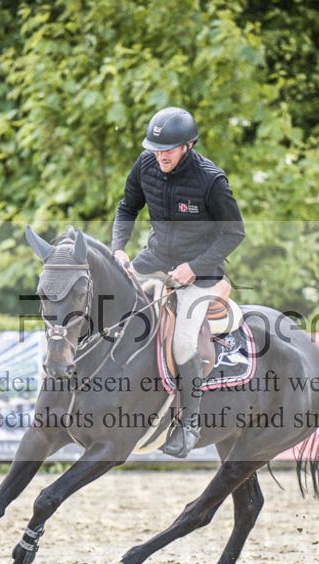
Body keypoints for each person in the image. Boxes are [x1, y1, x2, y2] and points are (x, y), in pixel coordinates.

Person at [111, 106, 246, 457]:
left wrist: (195, 267)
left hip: (200, 273)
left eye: (168, 150)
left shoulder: (211, 180)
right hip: (153, 260)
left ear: (188, 145)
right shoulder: (145, 164)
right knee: (109, 307)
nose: (160, 156)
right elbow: (127, 208)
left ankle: (189, 425)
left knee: (184, 345)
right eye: (155, 149)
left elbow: (234, 233)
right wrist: (118, 248)